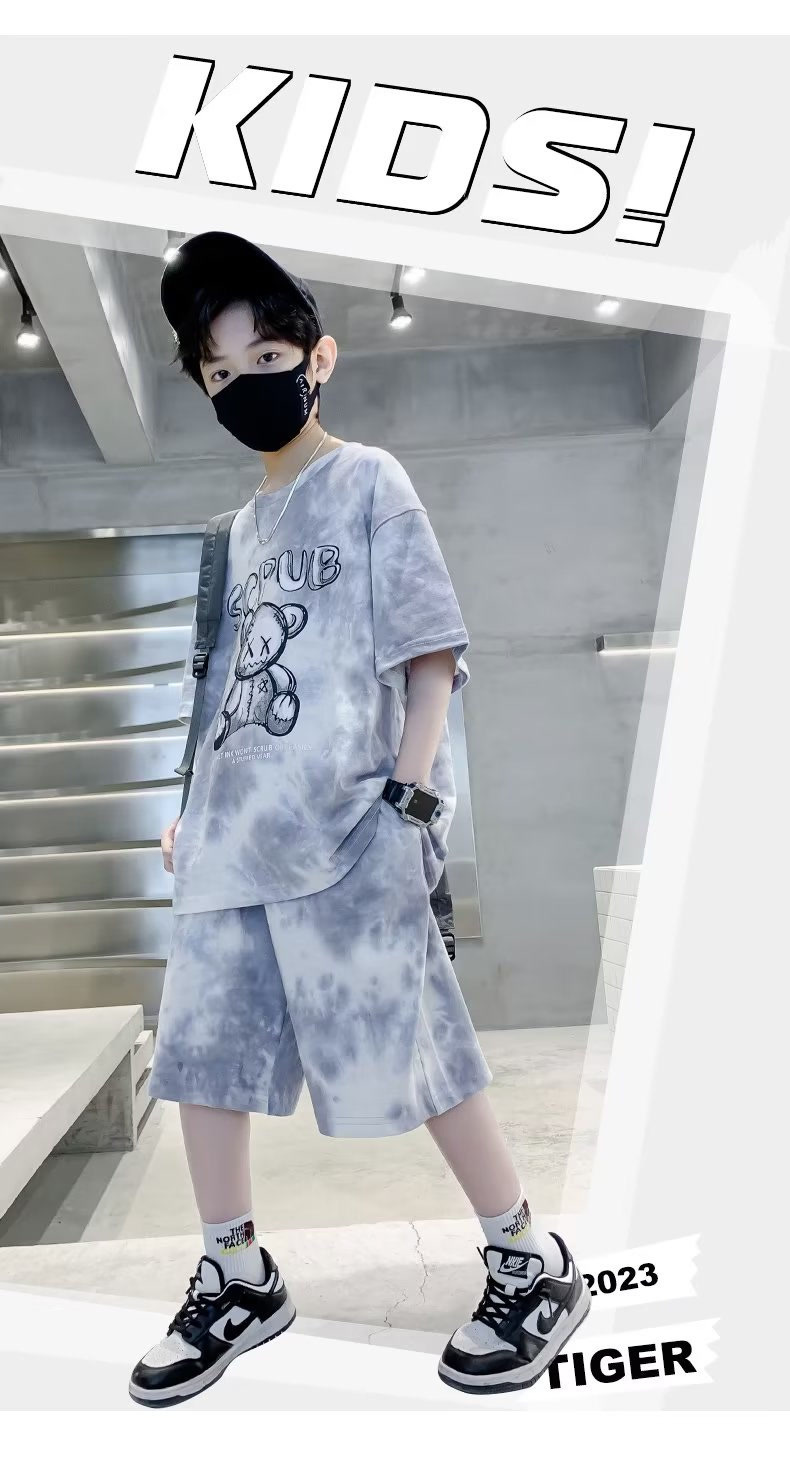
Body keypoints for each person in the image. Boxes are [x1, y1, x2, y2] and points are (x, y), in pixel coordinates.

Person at [128, 231, 589, 1407]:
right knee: (203, 1056)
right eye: (221, 373)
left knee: (415, 1042)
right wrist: (190, 811)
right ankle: (236, 1273)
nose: (245, 385)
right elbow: (217, 692)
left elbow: (429, 653)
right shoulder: (232, 535)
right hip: (230, 841)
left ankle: (526, 1256)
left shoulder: (371, 480)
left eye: (266, 358)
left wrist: (409, 802)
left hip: (347, 830)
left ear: (318, 358)